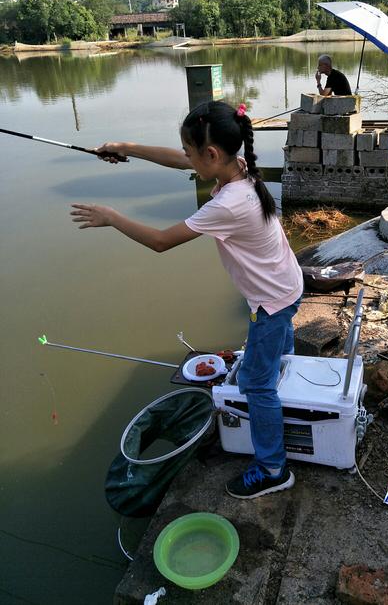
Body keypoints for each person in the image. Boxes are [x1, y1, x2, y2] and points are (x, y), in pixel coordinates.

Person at [70, 100, 303, 500]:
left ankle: (272, 468)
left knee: (256, 385)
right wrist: (125, 146)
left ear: (211, 154)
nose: (187, 160)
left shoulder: (227, 204)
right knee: (275, 364)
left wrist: (112, 217)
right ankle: (287, 393)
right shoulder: (239, 168)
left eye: (192, 153)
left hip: (270, 303)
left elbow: (161, 242)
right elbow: (180, 161)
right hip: (286, 286)